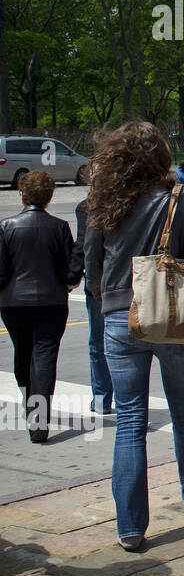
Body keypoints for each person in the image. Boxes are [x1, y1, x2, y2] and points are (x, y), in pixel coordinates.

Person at [85, 120, 184, 552]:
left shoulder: (102, 200)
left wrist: (105, 295)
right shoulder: (180, 200)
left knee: (130, 420)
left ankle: (130, 527)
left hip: (118, 317)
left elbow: (91, 268)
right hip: (174, 316)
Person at [0, 171, 78, 442]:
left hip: (14, 303)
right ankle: (38, 419)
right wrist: (68, 283)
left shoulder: (6, 226)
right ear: (50, 196)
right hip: (52, 301)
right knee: (44, 358)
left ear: (22, 194)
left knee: (23, 354)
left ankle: (31, 405)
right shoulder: (59, 227)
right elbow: (70, 270)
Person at [72, 199, 112, 415]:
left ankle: (102, 399)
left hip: (101, 284)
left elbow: (85, 245)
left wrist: (74, 277)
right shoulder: (137, 199)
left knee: (98, 344)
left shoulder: (89, 206)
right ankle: (118, 399)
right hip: (129, 281)